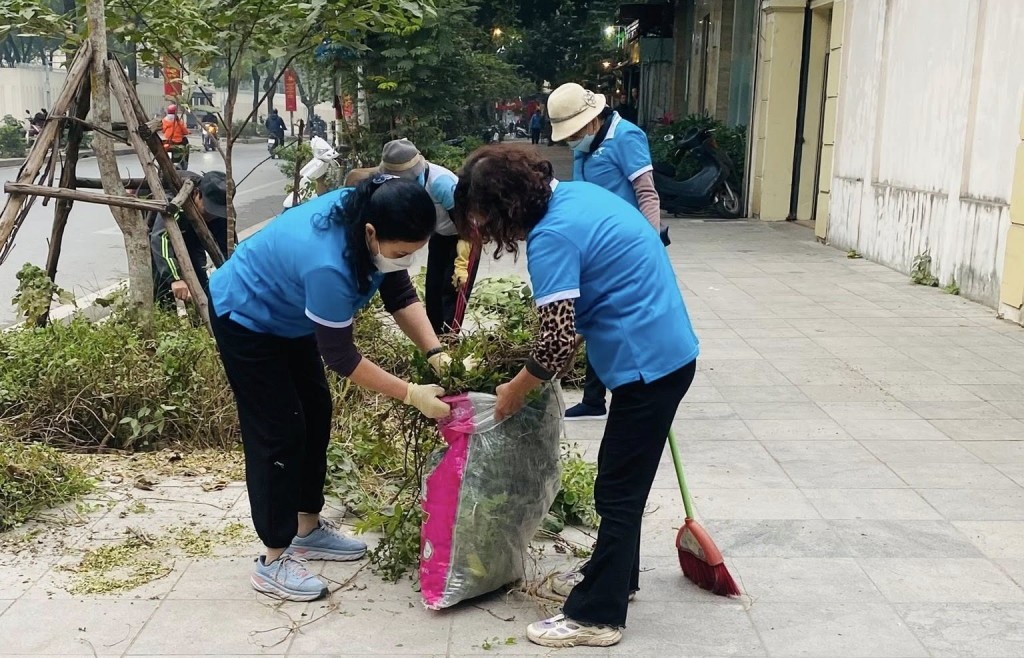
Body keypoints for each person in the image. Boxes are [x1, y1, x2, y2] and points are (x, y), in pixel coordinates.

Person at [452, 146, 698, 648]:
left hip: (646, 365)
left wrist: (515, 391)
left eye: (487, 219)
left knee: (618, 490)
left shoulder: (553, 237)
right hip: (662, 352)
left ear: (507, 209)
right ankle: (618, 579)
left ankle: (597, 616)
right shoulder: (580, 196)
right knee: (621, 481)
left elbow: (555, 342)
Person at [209, 175, 461, 601]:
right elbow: (342, 358)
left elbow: (398, 290)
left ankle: (307, 528)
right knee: (279, 431)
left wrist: (435, 351)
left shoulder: (375, 213)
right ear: (371, 235)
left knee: (315, 411)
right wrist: (411, 393)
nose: (406, 261)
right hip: (246, 317)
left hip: (289, 318)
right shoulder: (328, 263)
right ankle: (273, 557)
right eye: (402, 253)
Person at [548, 82, 664, 421]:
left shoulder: (626, 137)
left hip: (625, 248)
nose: (571, 140)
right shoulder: (583, 145)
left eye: (573, 132)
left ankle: (634, 388)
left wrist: (649, 246)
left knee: (620, 321)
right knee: (595, 318)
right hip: (593, 245)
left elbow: (647, 194)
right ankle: (594, 398)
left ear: (591, 119)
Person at [378, 139, 480, 334]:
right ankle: (434, 339)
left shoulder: (440, 183)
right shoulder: (403, 183)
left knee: (453, 291)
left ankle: (450, 340)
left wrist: (461, 264)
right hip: (440, 235)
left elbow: (467, 227)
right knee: (433, 289)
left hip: (464, 236)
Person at [150, 171, 229, 306]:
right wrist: (174, 278)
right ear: (197, 194)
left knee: (200, 279)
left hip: (195, 238)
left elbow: (228, 248)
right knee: (164, 287)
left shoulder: (224, 214)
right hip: (164, 235)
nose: (211, 216)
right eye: (208, 210)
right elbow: (160, 238)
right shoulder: (175, 201)